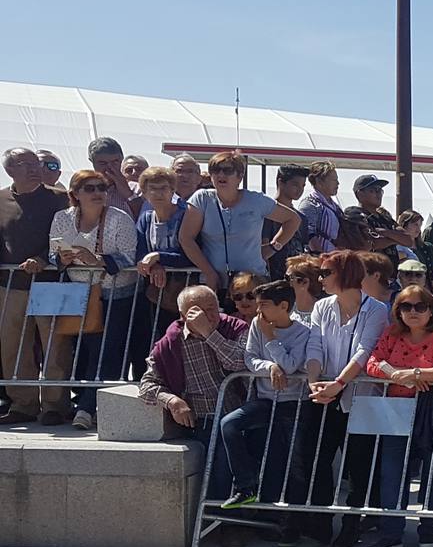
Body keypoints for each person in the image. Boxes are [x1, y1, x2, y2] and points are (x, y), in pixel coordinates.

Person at [292, 251, 390, 547]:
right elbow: (315, 345)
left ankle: (352, 524)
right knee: (315, 457)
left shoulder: (376, 309)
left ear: (344, 274)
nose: (320, 279)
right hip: (323, 393)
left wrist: (338, 384)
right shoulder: (322, 307)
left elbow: (364, 350)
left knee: (359, 465)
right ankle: (320, 522)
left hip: (359, 396)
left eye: (325, 273)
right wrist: (314, 383)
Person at [137, 285, 248, 542]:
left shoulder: (235, 328)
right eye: (199, 311)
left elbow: (240, 362)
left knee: (226, 445)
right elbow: (147, 384)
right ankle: (223, 523)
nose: (209, 315)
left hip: (238, 413)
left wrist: (210, 333)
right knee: (218, 452)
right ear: (183, 314)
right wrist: (172, 400)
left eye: (213, 309)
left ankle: (233, 522)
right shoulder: (170, 342)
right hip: (200, 418)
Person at [360, 284, 433, 547]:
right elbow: (373, 362)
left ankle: (429, 530)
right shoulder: (392, 333)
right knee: (392, 473)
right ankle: (391, 533)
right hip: (396, 409)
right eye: (406, 306)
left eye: (420, 306)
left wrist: (416, 374)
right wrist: (395, 373)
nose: (413, 312)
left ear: (431, 310)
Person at [218, 280, 320, 512]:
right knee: (230, 424)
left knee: (294, 464)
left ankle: (293, 521)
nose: (258, 310)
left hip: (294, 404)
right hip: (265, 401)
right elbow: (250, 358)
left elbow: (291, 365)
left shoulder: (303, 333)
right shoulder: (257, 324)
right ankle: (246, 486)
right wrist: (270, 368)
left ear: (283, 306)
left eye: (263, 304)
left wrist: (271, 339)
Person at [51, 169, 140, 429]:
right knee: (83, 352)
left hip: (115, 295)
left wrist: (98, 261)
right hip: (78, 293)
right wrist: (61, 259)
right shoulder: (62, 218)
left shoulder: (119, 218)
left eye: (101, 188)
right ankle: (88, 403)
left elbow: (130, 257)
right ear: (75, 194)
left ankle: (87, 409)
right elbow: (52, 252)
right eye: (89, 188)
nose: (97, 193)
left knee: (105, 353)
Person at [0, 149, 70, 425]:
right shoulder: (1, 198)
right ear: (10, 170)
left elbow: (67, 236)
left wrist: (43, 258)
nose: (34, 168)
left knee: (55, 346)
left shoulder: (59, 198)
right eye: (25, 164)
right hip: (9, 285)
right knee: (13, 347)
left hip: (50, 283)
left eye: (35, 163)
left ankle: (55, 405)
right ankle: (23, 404)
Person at [178, 152, 300, 290]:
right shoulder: (201, 198)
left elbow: (293, 219)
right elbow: (186, 238)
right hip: (216, 283)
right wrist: (209, 272)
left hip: (253, 282)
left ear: (240, 176)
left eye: (228, 170)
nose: (221, 175)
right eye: (216, 170)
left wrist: (273, 247)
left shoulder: (256, 200)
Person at [129, 166, 198, 380]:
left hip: (184, 290)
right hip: (155, 292)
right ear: (144, 192)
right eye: (153, 189)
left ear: (172, 190)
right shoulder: (146, 219)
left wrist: (159, 257)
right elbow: (140, 253)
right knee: (156, 340)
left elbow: (190, 255)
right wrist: (154, 263)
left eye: (164, 188)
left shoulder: (184, 215)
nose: (158, 193)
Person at [344, 175, 412, 274]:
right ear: (360, 193)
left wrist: (384, 232)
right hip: (367, 274)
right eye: (373, 190)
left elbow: (408, 240)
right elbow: (370, 243)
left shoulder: (386, 219)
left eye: (380, 190)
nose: (378, 194)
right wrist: (395, 239)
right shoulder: (354, 213)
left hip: (390, 276)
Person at [296, 161, 343, 255]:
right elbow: (308, 234)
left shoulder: (335, 207)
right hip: (320, 260)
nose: (338, 183)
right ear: (319, 181)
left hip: (335, 258)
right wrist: (320, 258)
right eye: (333, 180)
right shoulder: (310, 204)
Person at [86, 137, 139, 219]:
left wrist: (128, 193)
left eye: (115, 162)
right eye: (103, 163)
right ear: (92, 162)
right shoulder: (85, 189)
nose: (109, 167)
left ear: (122, 160)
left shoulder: (137, 189)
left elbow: (145, 218)